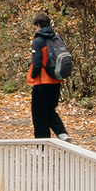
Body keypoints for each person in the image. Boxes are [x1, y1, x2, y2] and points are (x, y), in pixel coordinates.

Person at [28, 12, 74, 143]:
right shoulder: (57, 39)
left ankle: (41, 148)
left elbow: (36, 63)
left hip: (42, 83)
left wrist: (32, 76)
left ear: (38, 25)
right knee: (49, 109)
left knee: (38, 115)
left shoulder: (38, 41)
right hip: (56, 80)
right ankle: (62, 134)